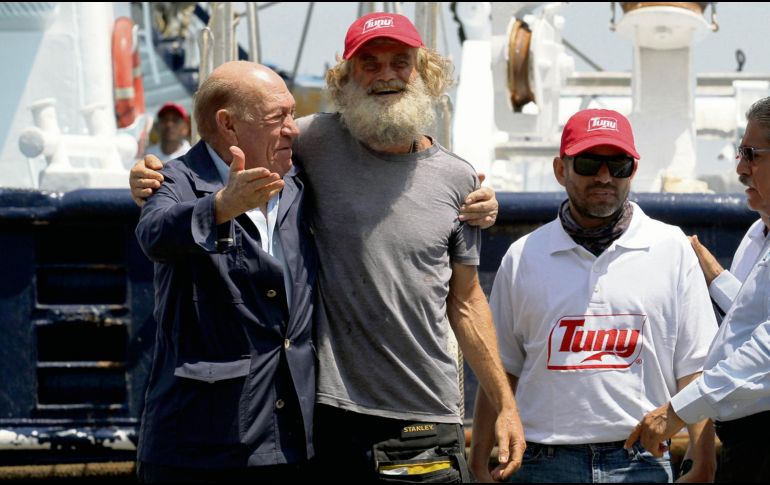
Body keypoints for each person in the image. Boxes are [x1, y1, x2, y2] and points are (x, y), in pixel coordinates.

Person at [131, 12, 522, 482]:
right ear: (345, 77)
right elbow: (212, 160)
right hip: (328, 420)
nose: (386, 75)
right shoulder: (311, 142)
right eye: (369, 64)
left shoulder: (459, 178)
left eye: (401, 61)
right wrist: (155, 179)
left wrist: (504, 405)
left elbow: (466, 300)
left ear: (423, 70)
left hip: (423, 416)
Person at [471, 108, 719, 483]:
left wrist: (703, 463)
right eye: (588, 162)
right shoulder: (522, 257)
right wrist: (477, 463)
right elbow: (500, 369)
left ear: (633, 170)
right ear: (561, 170)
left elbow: (694, 366)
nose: (604, 176)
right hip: (541, 465)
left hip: (642, 463)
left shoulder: (671, 248)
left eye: (618, 164)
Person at [134, 62, 317, 482]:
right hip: (199, 448)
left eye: (292, 113)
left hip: (291, 444)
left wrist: (466, 192)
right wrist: (219, 208)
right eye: (279, 118)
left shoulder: (299, 181)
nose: (293, 129)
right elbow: (155, 235)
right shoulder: (173, 179)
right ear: (228, 126)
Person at [627, 96, 770, 483]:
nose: (740, 168)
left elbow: (764, 350)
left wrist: (677, 411)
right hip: (745, 445)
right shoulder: (758, 233)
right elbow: (752, 318)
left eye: (751, 154)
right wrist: (715, 275)